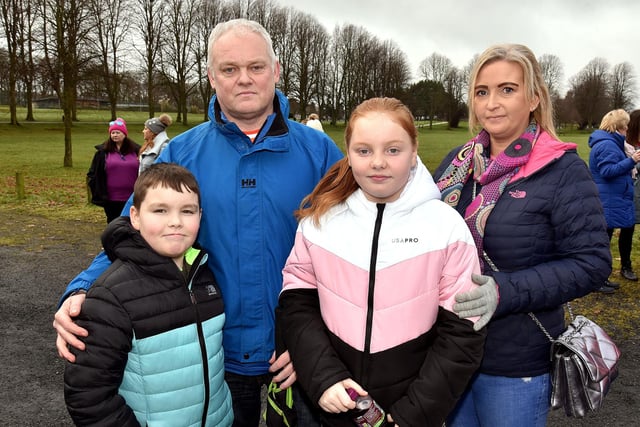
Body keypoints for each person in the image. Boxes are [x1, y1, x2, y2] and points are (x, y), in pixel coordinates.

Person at [54, 18, 344, 427]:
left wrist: (322, 342)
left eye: (256, 67)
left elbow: (356, 251)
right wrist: (81, 288)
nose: (243, 79)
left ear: (276, 71)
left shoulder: (319, 152)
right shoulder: (182, 153)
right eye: (229, 69)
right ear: (211, 77)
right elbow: (131, 233)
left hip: (299, 350)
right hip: (212, 352)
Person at [278, 97, 487, 426]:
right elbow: (296, 305)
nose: (378, 162)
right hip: (333, 404)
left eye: (393, 150)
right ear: (348, 152)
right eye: (364, 151)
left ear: (414, 150)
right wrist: (324, 377)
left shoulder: (446, 228)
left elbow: (463, 336)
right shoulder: (320, 222)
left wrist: (411, 415)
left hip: (411, 412)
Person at [433, 44, 611, 427]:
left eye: (507, 89)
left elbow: (592, 263)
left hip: (514, 361)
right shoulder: (456, 166)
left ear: (533, 98)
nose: (492, 103)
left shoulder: (562, 169)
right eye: (482, 92)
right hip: (448, 352)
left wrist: (504, 291)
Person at [64, 163, 233, 426]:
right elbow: (89, 396)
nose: (175, 221)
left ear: (200, 216)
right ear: (135, 216)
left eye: (187, 211)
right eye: (160, 210)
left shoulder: (205, 275)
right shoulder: (111, 297)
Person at [589, 108, 640, 292]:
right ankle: (597, 278)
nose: (628, 129)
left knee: (604, 239)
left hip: (612, 199)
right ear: (618, 127)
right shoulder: (607, 145)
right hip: (607, 199)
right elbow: (607, 171)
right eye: (626, 126)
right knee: (603, 240)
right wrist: (632, 160)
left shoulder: (610, 142)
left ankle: (600, 277)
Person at [87, 118, 141, 223]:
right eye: (112, 133)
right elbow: (93, 173)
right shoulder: (103, 153)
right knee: (113, 224)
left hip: (132, 197)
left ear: (125, 134)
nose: (115, 135)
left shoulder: (137, 151)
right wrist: (96, 189)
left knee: (130, 224)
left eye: (118, 132)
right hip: (111, 198)